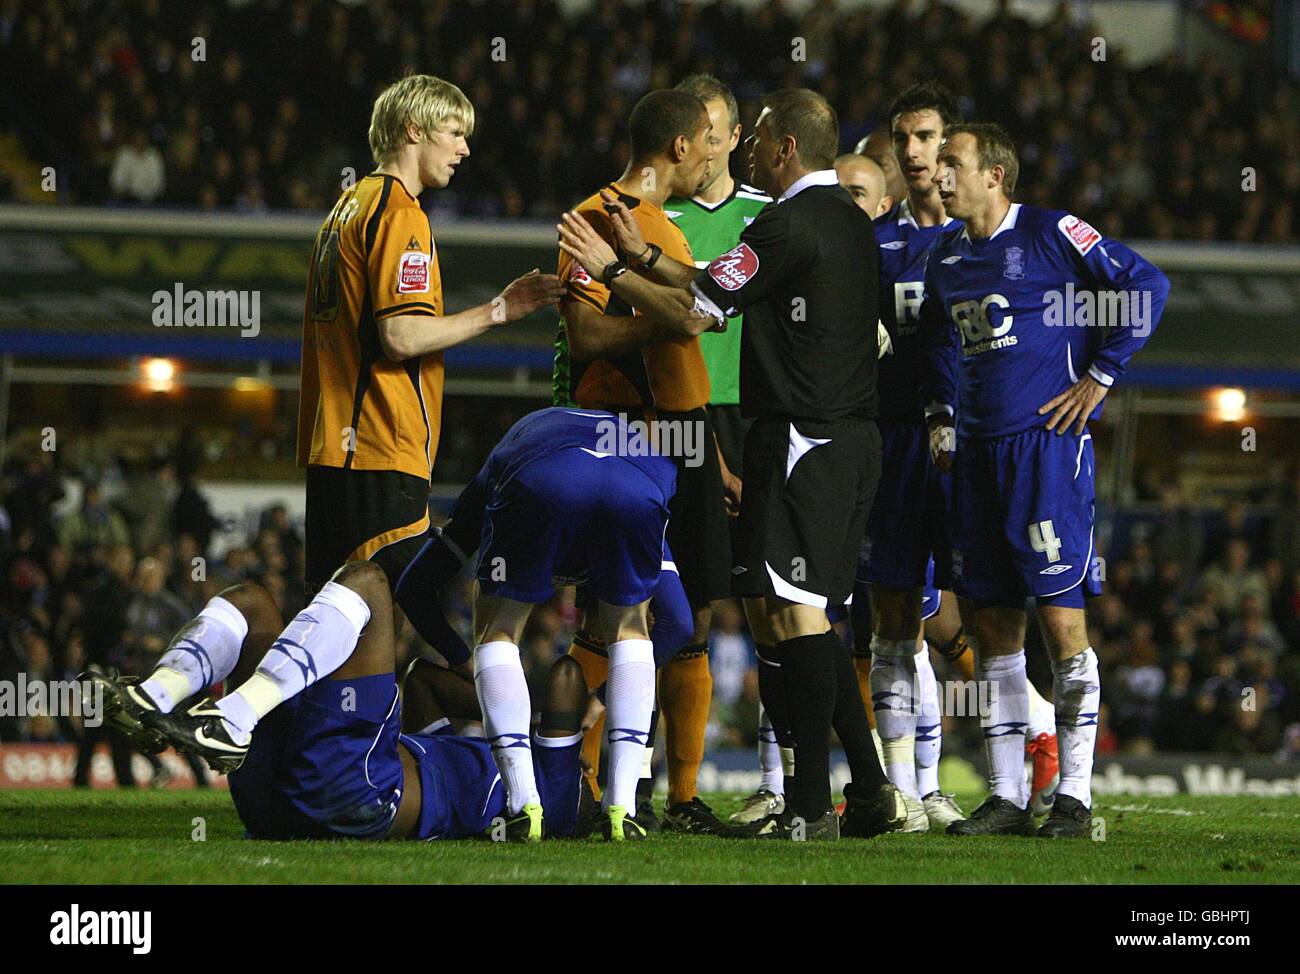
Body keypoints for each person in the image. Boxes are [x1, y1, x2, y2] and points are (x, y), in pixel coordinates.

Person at [558, 89, 906, 840]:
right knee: (805, 615)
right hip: (854, 442)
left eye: (759, 140)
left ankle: (810, 805)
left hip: (801, 439)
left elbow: (696, 313)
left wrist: (614, 271)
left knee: (791, 617)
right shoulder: (846, 217)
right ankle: (871, 790)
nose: (743, 149)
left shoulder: (783, 222)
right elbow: (716, 284)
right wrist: (646, 256)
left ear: (785, 148)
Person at [921, 123, 1170, 837]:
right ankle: (1004, 796)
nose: (941, 176)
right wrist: (942, 412)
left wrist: (1101, 374)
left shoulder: (1053, 232)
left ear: (995, 175)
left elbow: (1147, 283)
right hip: (974, 459)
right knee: (994, 627)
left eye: (954, 164)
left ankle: (1076, 797)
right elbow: (939, 338)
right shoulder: (947, 254)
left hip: (1047, 453)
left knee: (1062, 625)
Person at [297, 74, 562, 636]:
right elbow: (401, 336)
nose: (464, 148)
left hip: (335, 448)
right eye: (454, 132)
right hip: (378, 443)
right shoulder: (400, 215)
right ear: (414, 130)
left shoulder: (347, 206)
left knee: (331, 623)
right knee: (408, 612)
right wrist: (499, 311)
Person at [84, 572, 594, 842]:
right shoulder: (513, 763)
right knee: (252, 601)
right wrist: (513, 725)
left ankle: (234, 718)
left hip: (363, 792)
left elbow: (567, 676)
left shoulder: (561, 793)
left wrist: (580, 718)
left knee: (370, 584)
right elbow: (423, 681)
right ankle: (157, 692)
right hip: (281, 804)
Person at [551, 88, 730, 834]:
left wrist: (713, 459)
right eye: (710, 140)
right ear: (680, 147)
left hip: (684, 441)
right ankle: (586, 789)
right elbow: (591, 337)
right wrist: (670, 315)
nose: (717, 154)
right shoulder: (592, 219)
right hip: (623, 436)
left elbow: (696, 324)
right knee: (625, 613)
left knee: (691, 621)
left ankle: (677, 798)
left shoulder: (663, 232)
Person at [662, 74, 776, 830]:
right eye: (689, 133)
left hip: (765, 421)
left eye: (710, 133)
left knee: (777, 605)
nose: (698, 147)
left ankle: (781, 781)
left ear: (733, 137)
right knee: (685, 607)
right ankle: (680, 793)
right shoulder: (658, 220)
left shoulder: (772, 217)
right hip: (680, 420)